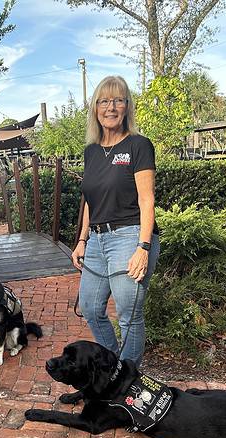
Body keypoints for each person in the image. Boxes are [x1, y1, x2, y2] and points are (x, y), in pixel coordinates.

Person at [71, 75, 160, 367]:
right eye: (104, 101)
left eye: (118, 100)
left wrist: (143, 247)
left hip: (129, 235)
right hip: (96, 240)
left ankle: (128, 379)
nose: (111, 107)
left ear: (127, 107)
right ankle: (114, 365)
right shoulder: (91, 151)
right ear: (96, 108)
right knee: (90, 307)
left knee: (128, 313)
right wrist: (82, 240)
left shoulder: (139, 145)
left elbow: (147, 200)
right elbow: (90, 200)